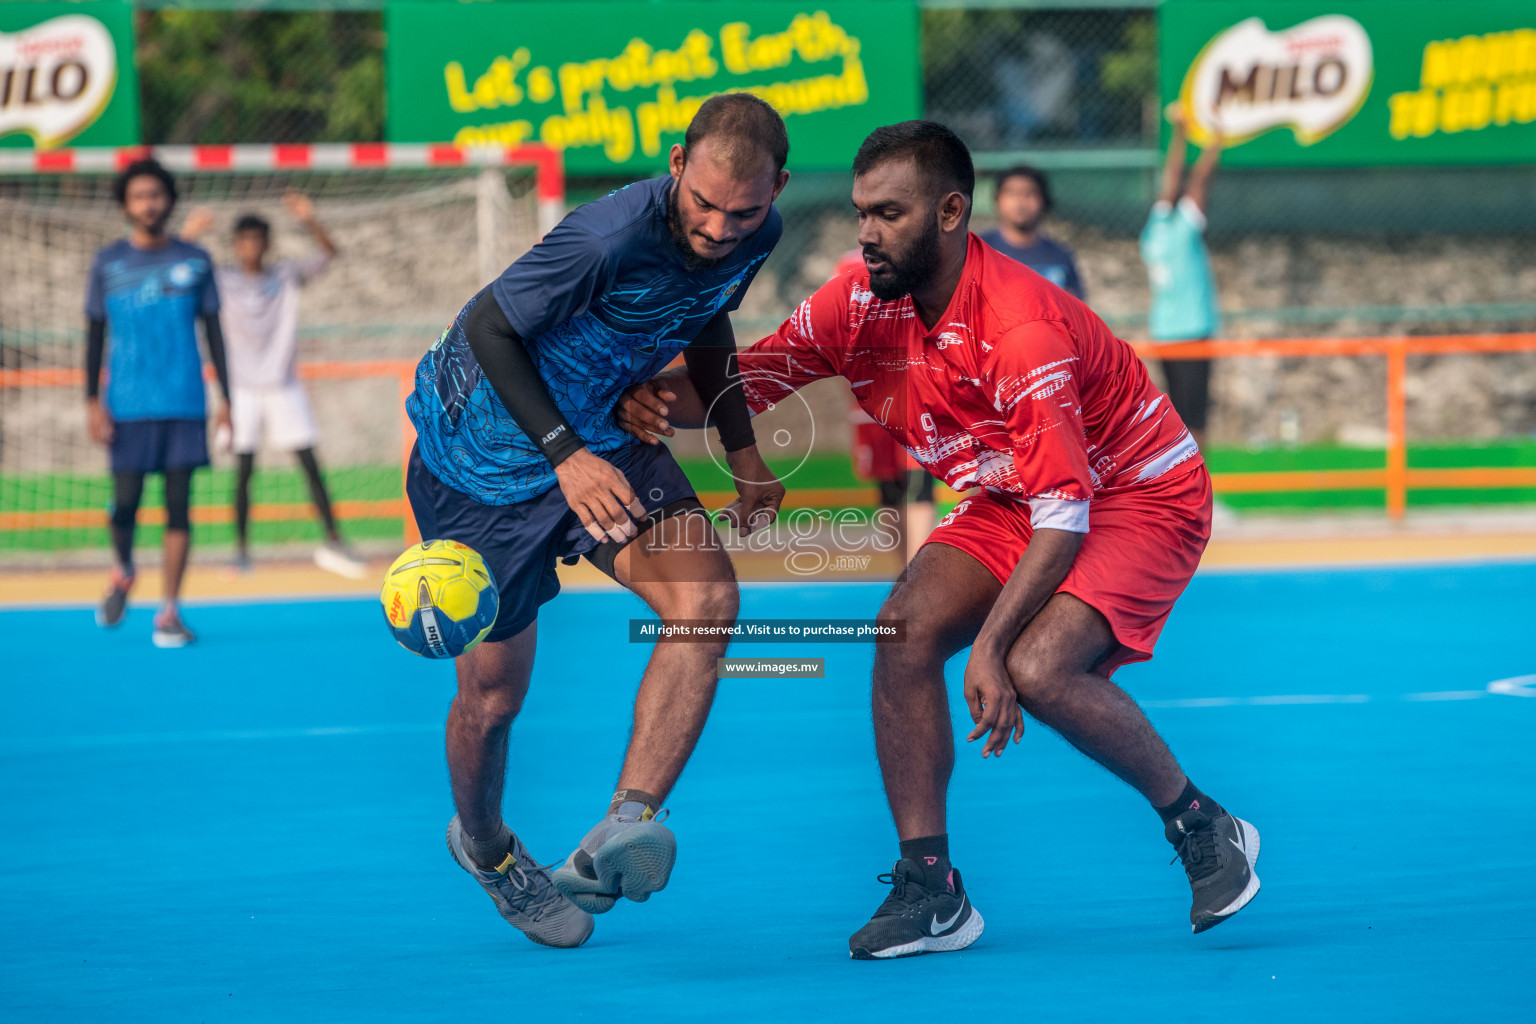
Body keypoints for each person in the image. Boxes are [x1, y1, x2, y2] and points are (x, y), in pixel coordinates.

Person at [619, 121, 1260, 959]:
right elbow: (744, 385)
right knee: (905, 633)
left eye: (889, 214)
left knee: (1035, 666)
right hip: (1014, 491)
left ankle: (1203, 827)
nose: (867, 232)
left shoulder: (1019, 326)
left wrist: (992, 647)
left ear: (951, 213)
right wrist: (636, 396)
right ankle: (933, 891)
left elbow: (1066, 511)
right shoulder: (855, 303)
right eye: (861, 213)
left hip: (1137, 491)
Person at [404, 94, 790, 949]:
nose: (723, 229)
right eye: (705, 206)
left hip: (606, 433)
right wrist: (565, 455)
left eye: (745, 212)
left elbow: (709, 313)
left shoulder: (753, 235)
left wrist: (743, 447)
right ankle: (487, 848)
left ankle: (624, 823)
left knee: (708, 601)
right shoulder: (606, 235)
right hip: (483, 469)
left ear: (777, 190)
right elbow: (490, 328)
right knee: (495, 700)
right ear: (677, 163)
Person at [180, 192, 364, 578]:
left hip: (283, 385)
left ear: (267, 244)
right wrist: (189, 233)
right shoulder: (221, 279)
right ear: (236, 244)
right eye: (244, 239)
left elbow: (330, 253)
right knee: (244, 471)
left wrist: (311, 219)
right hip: (241, 390)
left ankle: (334, 539)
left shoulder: (285, 276)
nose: (251, 246)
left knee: (310, 463)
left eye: (257, 239)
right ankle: (242, 551)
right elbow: (180, 266)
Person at [86, 157, 229, 648]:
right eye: (138, 195)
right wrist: (91, 401)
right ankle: (123, 569)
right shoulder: (108, 263)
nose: (148, 203)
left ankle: (169, 611)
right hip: (126, 404)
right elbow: (94, 335)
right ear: (126, 204)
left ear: (169, 199)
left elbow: (214, 333)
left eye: (156, 194)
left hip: (184, 401)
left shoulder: (195, 259)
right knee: (125, 505)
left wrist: (226, 399)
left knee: (178, 509)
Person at [834, 248, 935, 561]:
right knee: (888, 490)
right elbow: (838, 331)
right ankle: (902, 575)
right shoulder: (848, 267)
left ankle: (916, 576)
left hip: (916, 394)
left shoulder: (920, 259)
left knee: (919, 484)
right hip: (873, 396)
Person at [1141, 104, 1222, 448]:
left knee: (1193, 414)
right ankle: (1182, 482)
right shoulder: (1158, 224)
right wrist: (1181, 131)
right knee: (1176, 414)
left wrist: (1216, 139)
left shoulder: (1185, 227)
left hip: (1192, 329)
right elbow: (1173, 175)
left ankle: (1198, 484)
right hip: (1169, 331)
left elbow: (1198, 179)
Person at [979, 165, 1084, 300]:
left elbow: (1075, 306)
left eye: (1029, 194)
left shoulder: (1060, 256)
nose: (1020, 202)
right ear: (997, 199)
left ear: (1043, 200)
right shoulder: (978, 250)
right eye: (1011, 193)